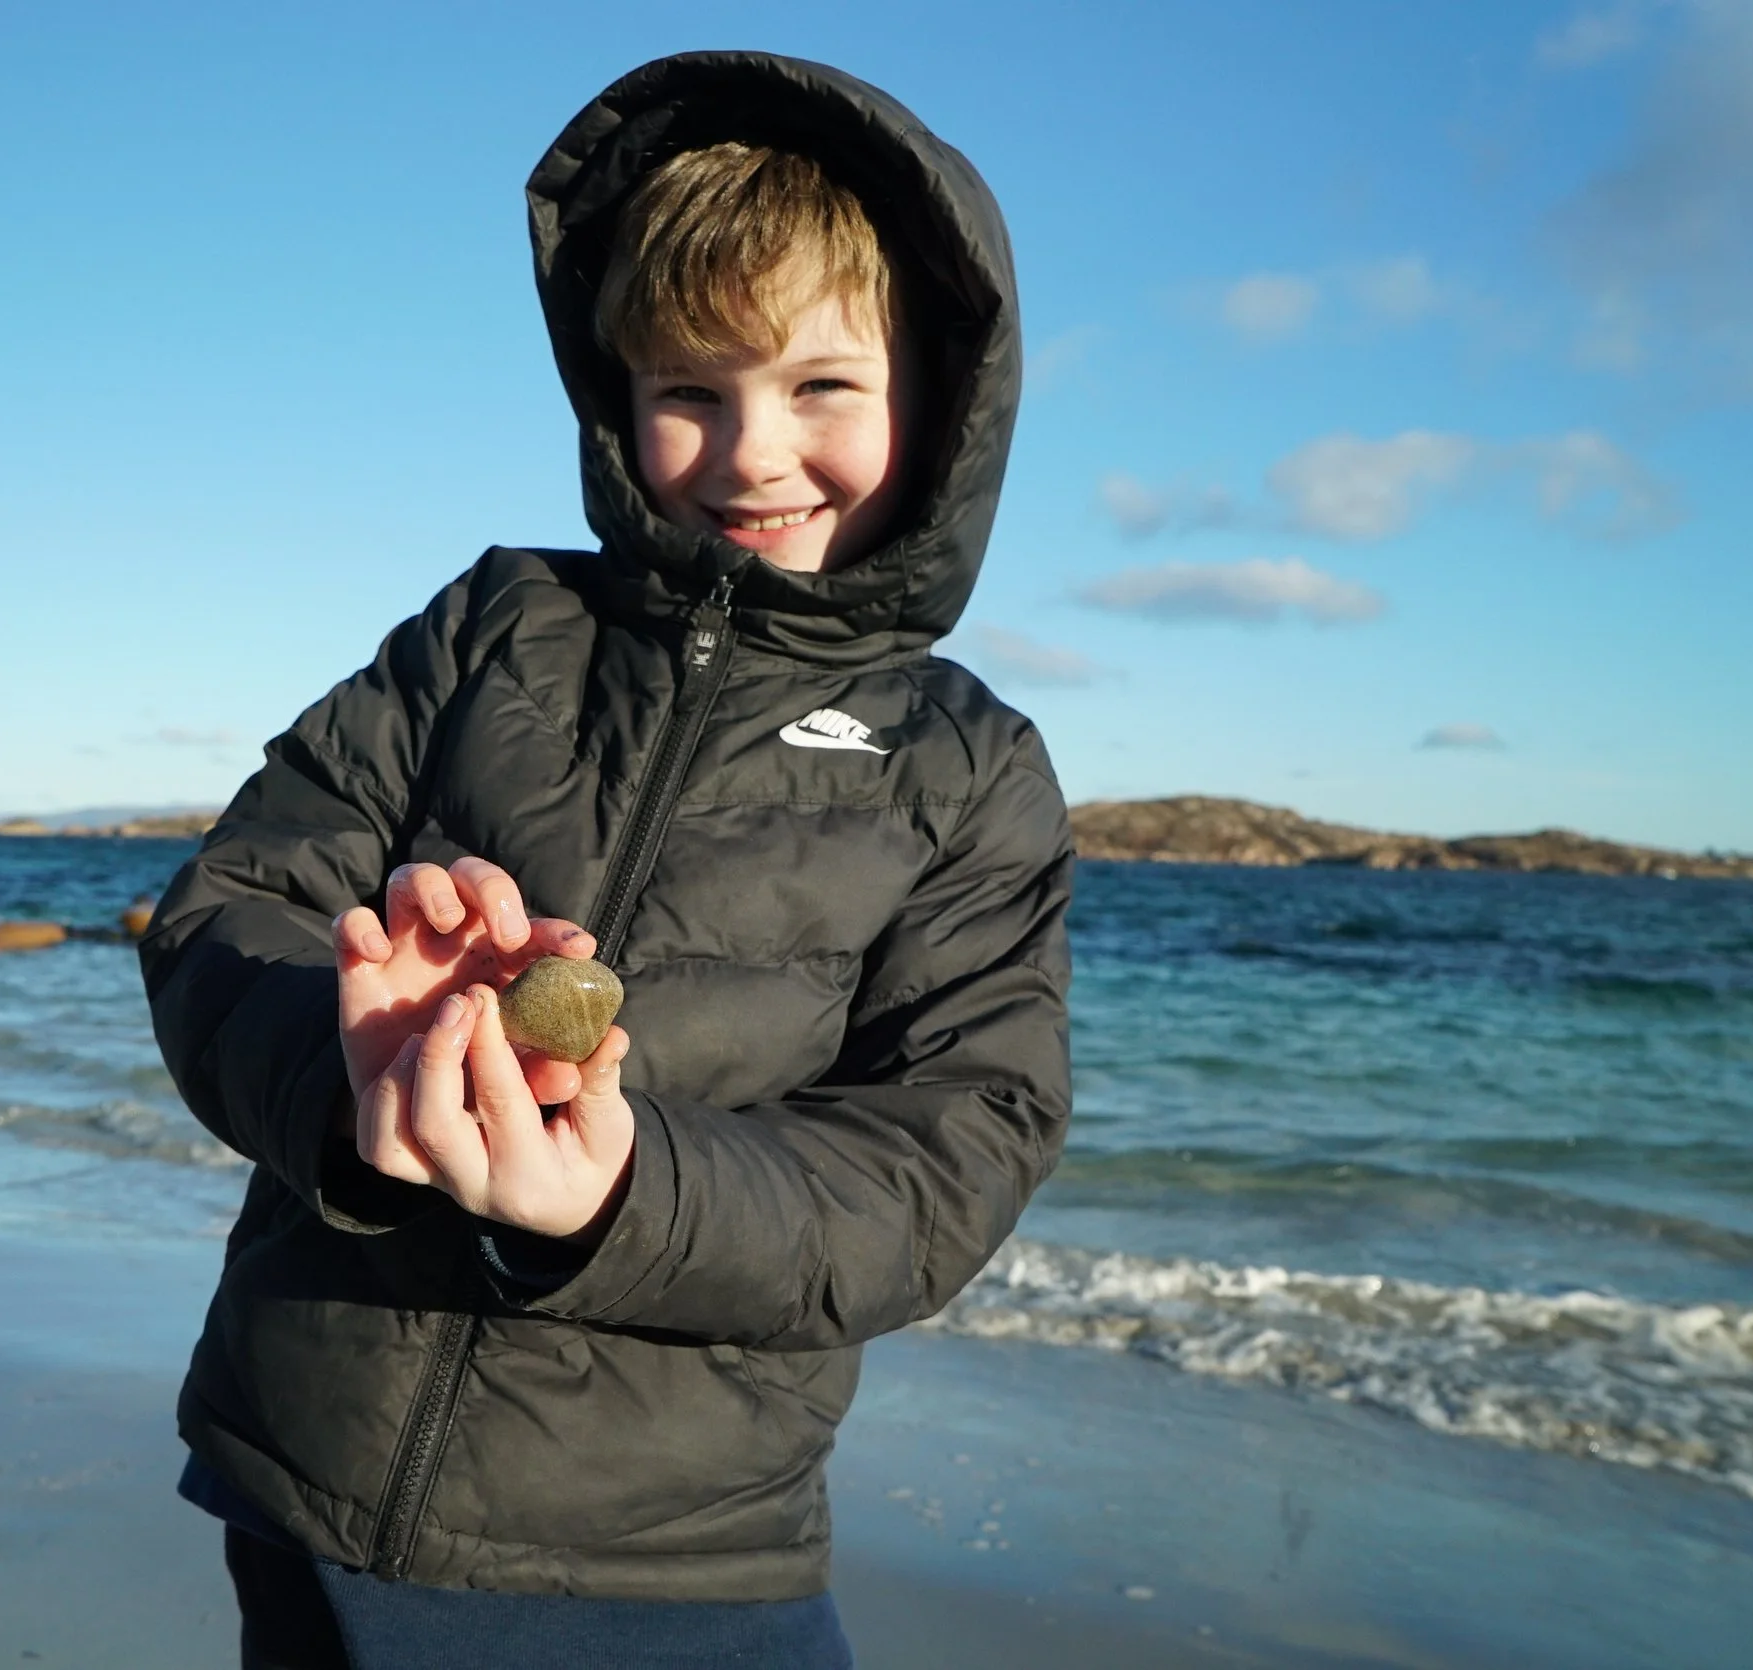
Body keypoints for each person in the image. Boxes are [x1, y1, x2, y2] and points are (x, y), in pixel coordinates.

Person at [142, 50, 1071, 1669]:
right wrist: (355, 1079)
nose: (750, 455)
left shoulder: (968, 764)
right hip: (306, 1448)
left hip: (670, 1541)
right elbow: (230, 908)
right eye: (691, 392)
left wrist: (620, 1195)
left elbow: (950, 1155)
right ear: (618, 396)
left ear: (935, 392)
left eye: (821, 388)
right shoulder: (500, 626)